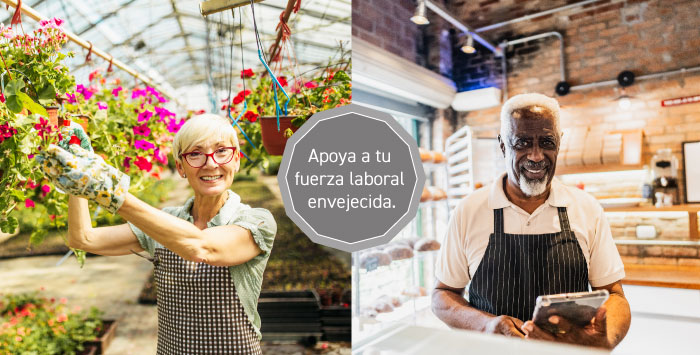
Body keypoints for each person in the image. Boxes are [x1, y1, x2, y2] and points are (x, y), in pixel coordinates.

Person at [38, 114, 276, 354]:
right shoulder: (167, 220)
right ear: (180, 168)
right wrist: (78, 175)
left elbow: (202, 247)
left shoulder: (257, 221)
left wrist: (111, 192)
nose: (211, 163)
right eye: (195, 154)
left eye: (222, 151)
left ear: (236, 160)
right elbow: (83, 239)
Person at [431, 93, 631, 349]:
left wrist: (603, 341)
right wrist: (485, 325)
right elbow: (442, 295)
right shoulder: (468, 211)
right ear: (503, 145)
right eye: (522, 143)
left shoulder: (587, 209)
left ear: (559, 143)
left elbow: (615, 296)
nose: (536, 156)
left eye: (546, 142)